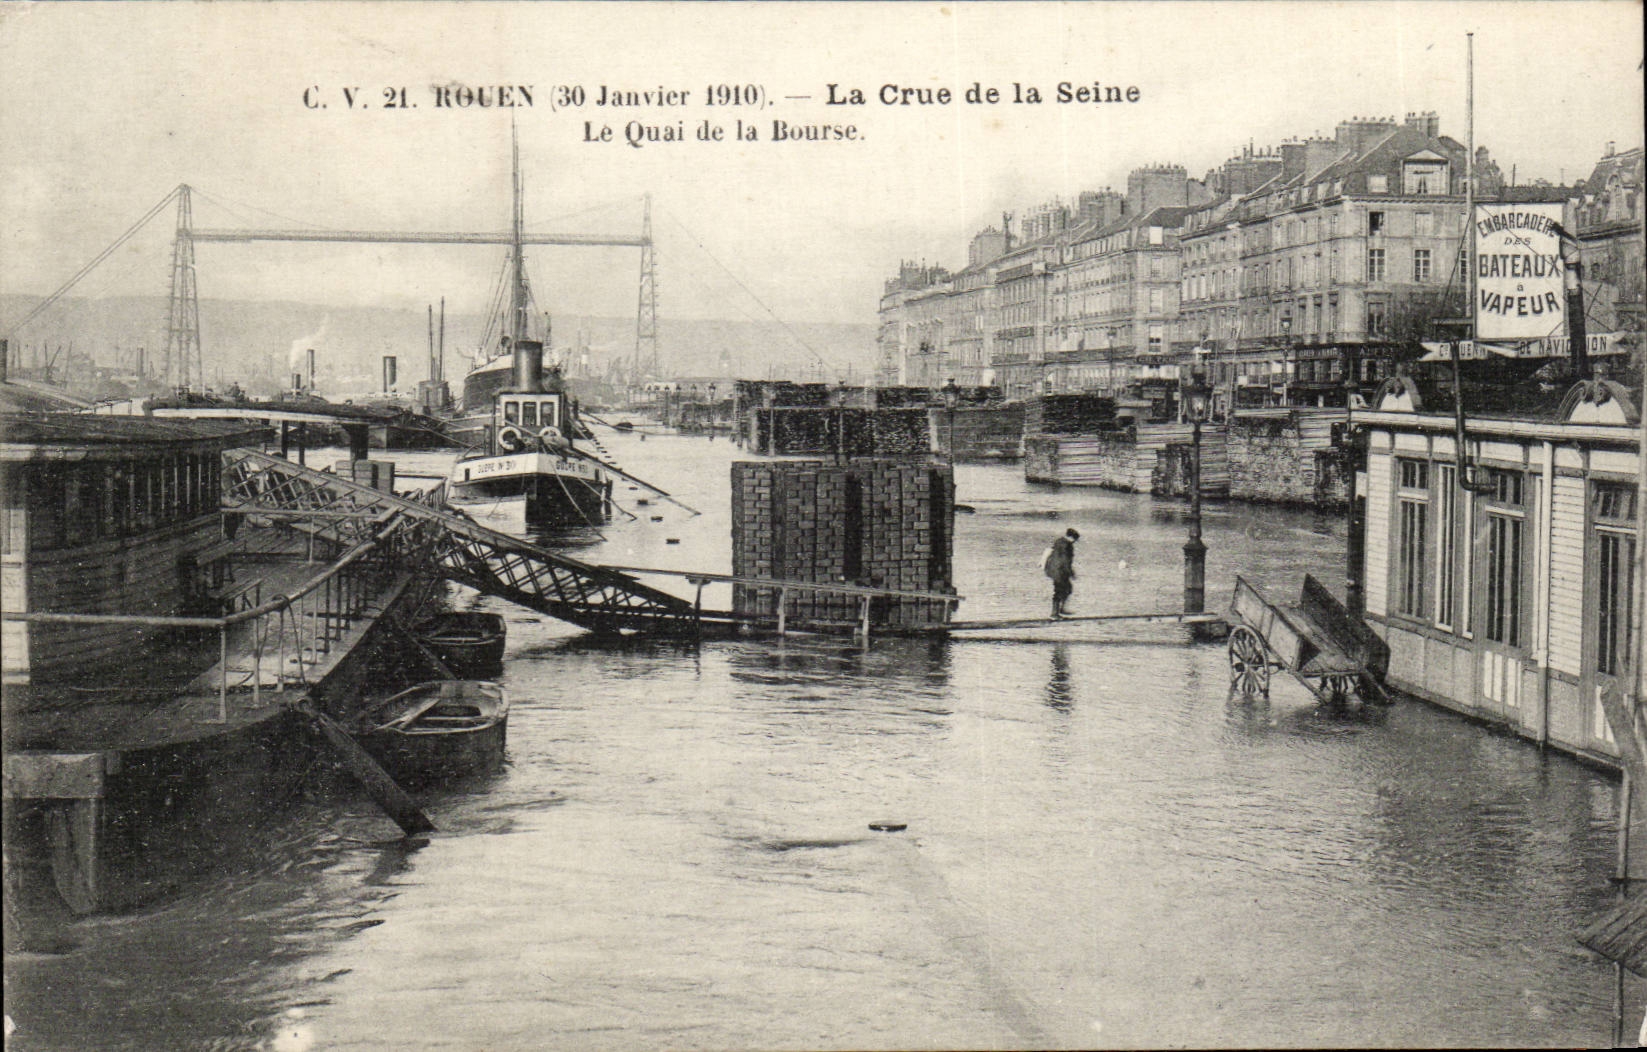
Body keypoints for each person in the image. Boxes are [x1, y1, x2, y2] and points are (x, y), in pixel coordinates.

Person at [1043, 527, 1079, 618]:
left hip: (1053, 569)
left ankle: (1060, 610)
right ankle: (1055, 613)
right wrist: (1071, 573)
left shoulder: (1059, 541)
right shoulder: (1067, 545)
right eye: (1075, 539)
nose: (1075, 541)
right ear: (1072, 537)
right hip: (1060, 571)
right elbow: (1065, 561)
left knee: (1065, 589)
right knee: (1061, 591)